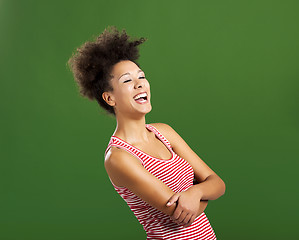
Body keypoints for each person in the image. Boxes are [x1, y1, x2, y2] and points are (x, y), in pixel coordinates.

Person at [67, 26, 226, 240]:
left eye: (141, 76)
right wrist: (204, 190)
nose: (139, 83)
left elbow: (218, 183)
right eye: (127, 80)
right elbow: (183, 214)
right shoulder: (118, 157)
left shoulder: (164, 132)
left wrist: (195, 192)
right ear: (110, 98)